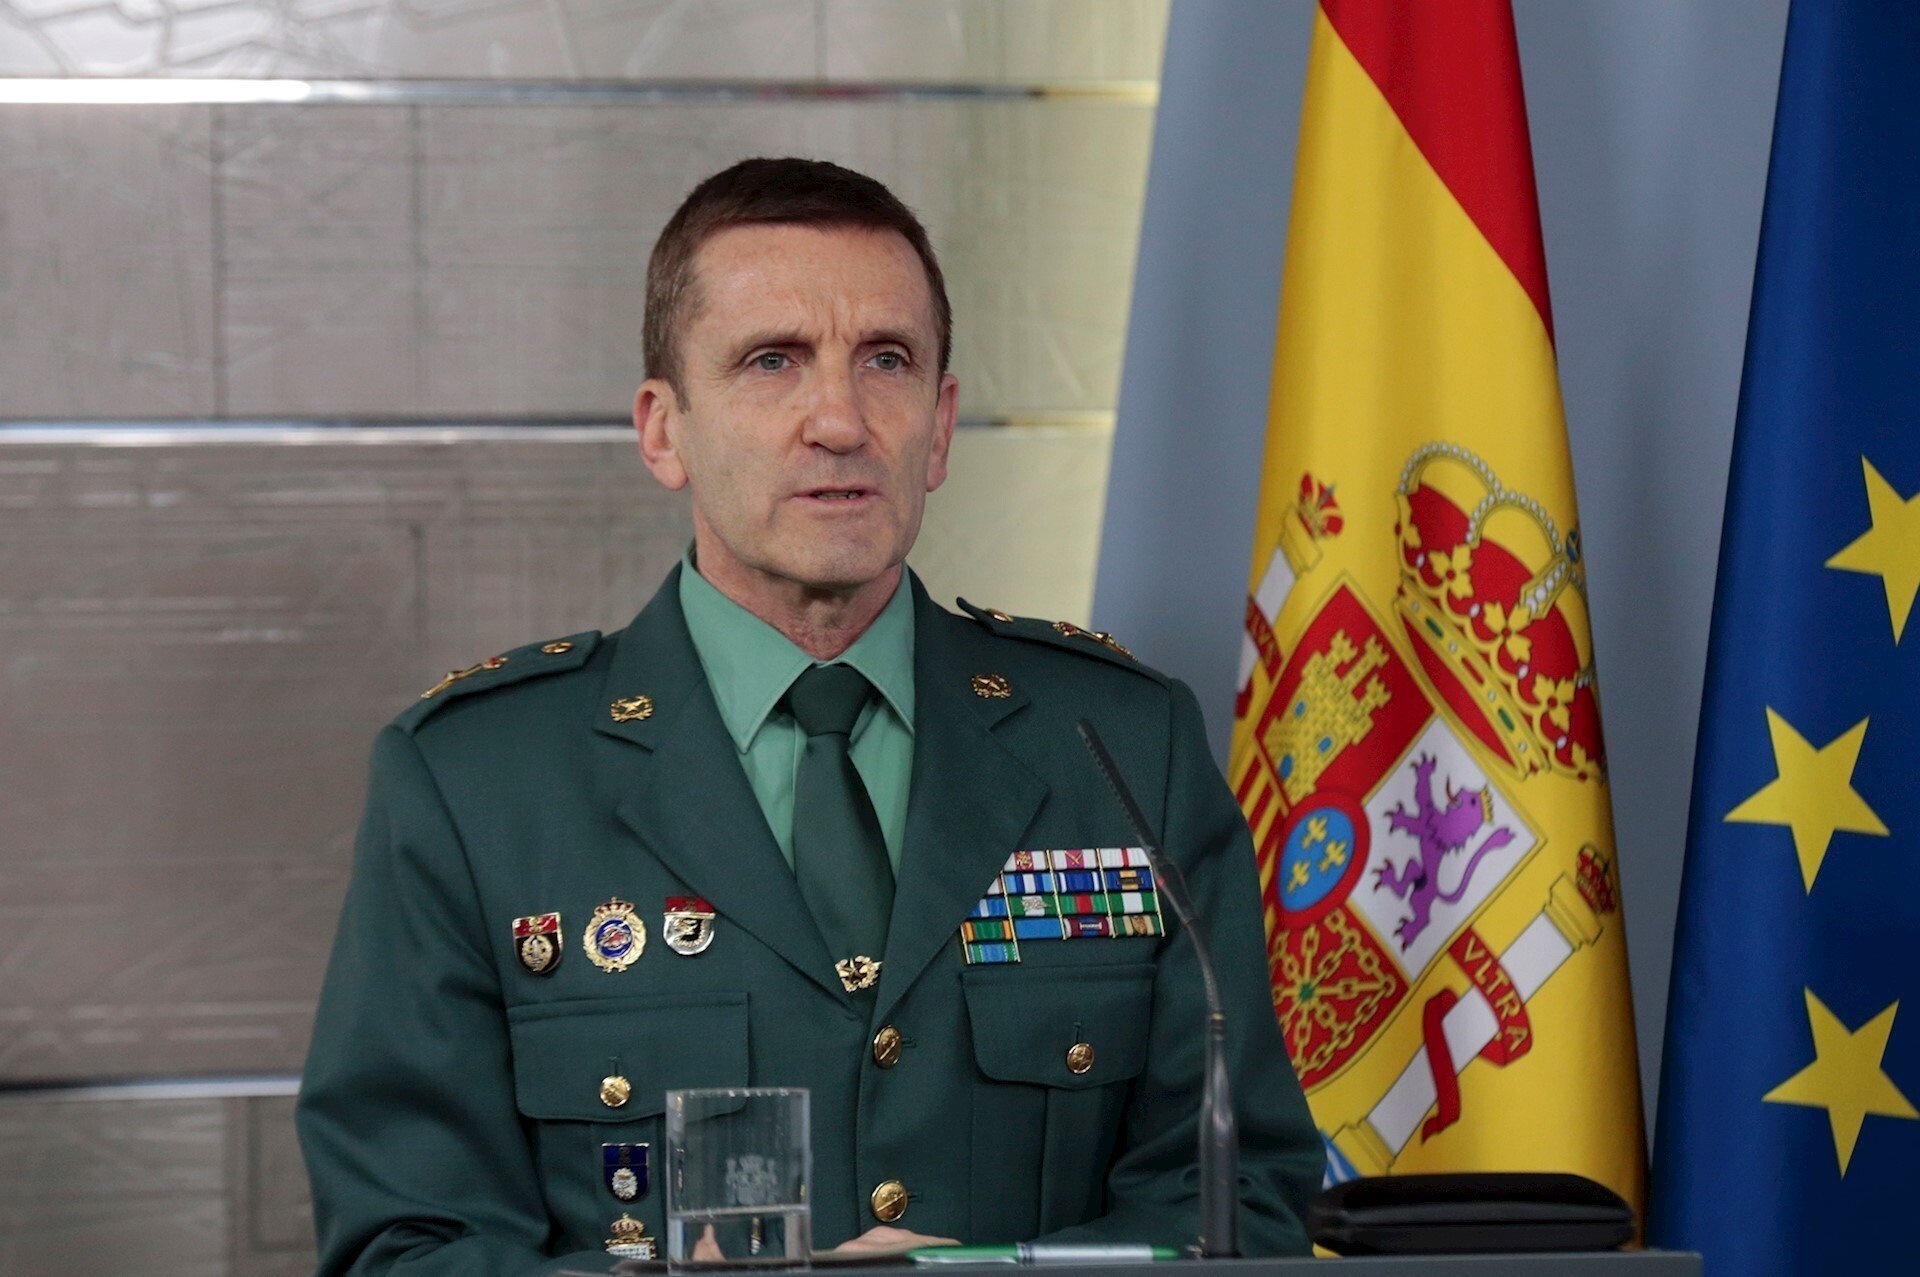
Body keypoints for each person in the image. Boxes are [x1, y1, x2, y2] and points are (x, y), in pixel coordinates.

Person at [297, 157, 1320, 1275]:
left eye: (886, 360)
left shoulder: (1120, 746)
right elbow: (409, 1244)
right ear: (664, 431)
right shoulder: (477, 784)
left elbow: (1240, 1196)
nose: (839, 419)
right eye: (771, 361)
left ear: (939, 426)